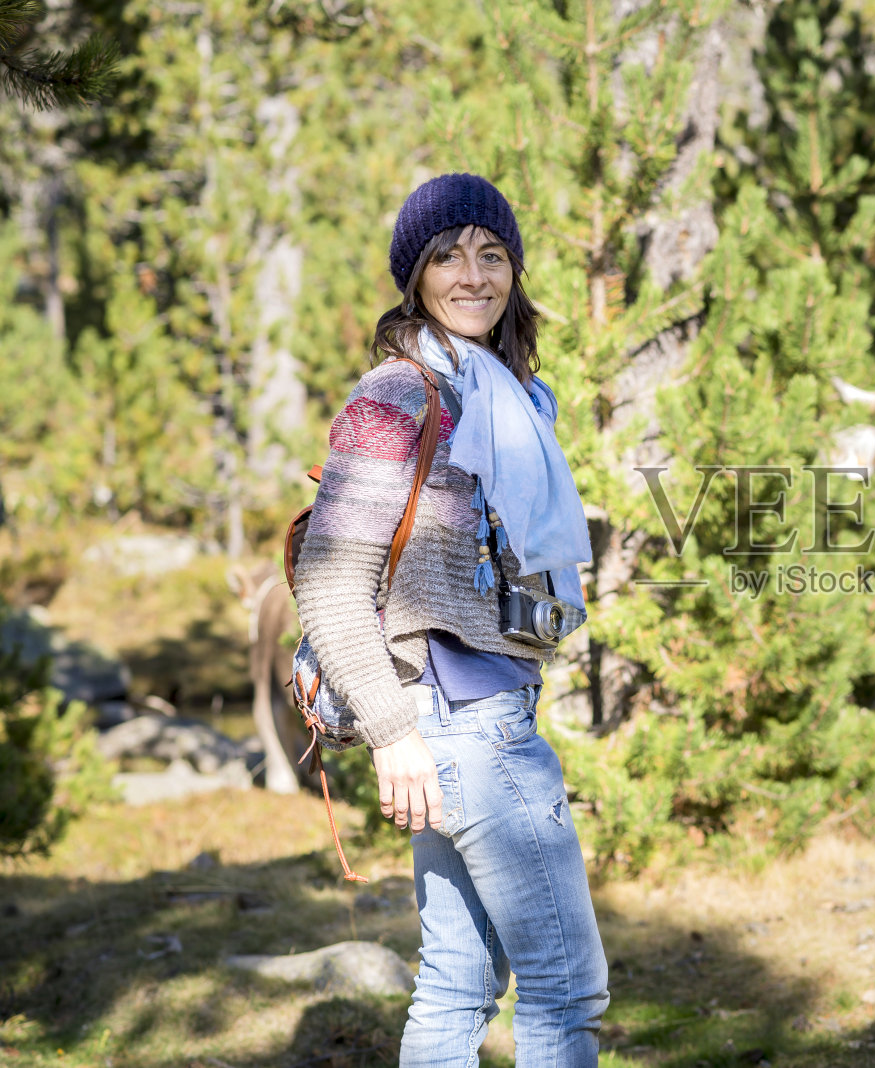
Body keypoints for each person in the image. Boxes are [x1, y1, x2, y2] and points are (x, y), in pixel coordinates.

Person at [293, 172, 609, 1067]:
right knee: (564, 987)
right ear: (415, 277)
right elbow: (328, 577)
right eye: (446, 256)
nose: (473, 274)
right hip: (456, 721)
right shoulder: (400, 394)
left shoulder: (503, 392)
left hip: (477, 712)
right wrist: (393, 734)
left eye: (492, 253)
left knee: (460, 981)